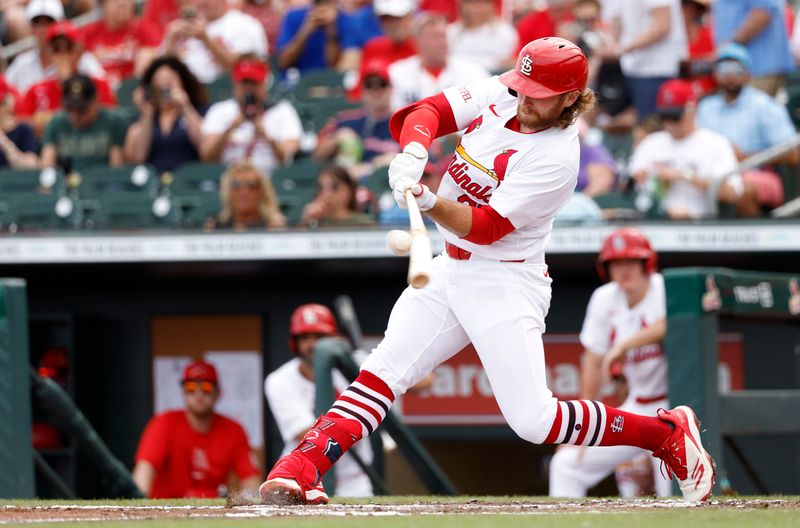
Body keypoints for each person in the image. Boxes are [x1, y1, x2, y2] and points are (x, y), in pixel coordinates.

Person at [257, 37, 715, 506]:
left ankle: (664, 432)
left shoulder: (557, 157)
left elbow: (487, 228)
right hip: (449, 270)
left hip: (505, 279)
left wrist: (431, 201)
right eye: (523, 86)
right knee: (381, 371)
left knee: (534, 421)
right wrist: (415, 152)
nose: (525, 99)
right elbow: (428, 111)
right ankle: (300, 468)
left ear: (571, 98)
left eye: (539, 93)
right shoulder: (507, 91)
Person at [549, 228, 672, 498]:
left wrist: (624, 345)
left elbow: (667, 325)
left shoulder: (663, 287)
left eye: (630, 261)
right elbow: (592, 362)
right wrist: (582, 429)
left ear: (645, 263)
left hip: (674, 411)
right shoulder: (605, 298)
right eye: (616, 263)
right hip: (638, 409)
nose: (623, 269)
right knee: (566, 464)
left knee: (671, 491)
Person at [264, 304, 374, 498]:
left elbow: (424, 382)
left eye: (319, 337)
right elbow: (306, 434)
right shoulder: (280, 380)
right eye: (305, 338)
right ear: (294, 342)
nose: (313, 345)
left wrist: (366, 366)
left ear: (334, 340)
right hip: (303, 476)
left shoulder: (355, 365)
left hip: (354, 479)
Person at [132, 359, 261, 498]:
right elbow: (144, 470)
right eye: (191, 388)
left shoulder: (234, 430)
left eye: (206, 388)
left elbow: (252, 480)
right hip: (167, 511)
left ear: (217, 393)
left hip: (213, 513)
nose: (198, 395)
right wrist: (139, 503)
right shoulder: (164, 422)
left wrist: (239, 502)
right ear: (183, 392)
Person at [696, 43, 797, 213]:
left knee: (744, 187)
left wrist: (744, 157)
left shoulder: (765, 106)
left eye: (736, 68)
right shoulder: (706, 106)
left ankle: (752, 239)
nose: (729, 74)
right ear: (715, 73)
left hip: (756, 172)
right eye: (723, 67)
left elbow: (794, 154)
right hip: (709, 173)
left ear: (748, 74)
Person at [628, 79, 744, 219]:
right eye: (664, 116)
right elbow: (627, 186)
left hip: (700, 223)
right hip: (654, 221)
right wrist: (638, 178)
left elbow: (732, 194)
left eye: (674, 116)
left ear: (692, 111)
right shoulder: (651, 143)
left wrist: (685, 176)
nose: (669, 123)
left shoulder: (716, 143)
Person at [200, 59, 301, 177]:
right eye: (244, 83)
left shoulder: (282, 111)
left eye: (253, 83)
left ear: (264, 85)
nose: (248, 89)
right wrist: (230, 129)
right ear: (235, 85)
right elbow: (207, 156)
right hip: (227, 181)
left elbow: (287, 157)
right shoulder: (220, 110)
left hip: (270, 180)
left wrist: (266, 136)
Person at [17, 21, 116, 138]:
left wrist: (68, 83)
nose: (63, 55)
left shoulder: (98, 85)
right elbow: (21, 125)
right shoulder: (35, 90)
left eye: (68, 48)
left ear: (78, 51)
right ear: (50, 53)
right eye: (57, 49)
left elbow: (110, 122)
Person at [600, 0, 688, 119]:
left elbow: (662, 25)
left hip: (657, 69)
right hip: (630, 68)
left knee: (651, 127)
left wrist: (622, 49)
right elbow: (616, 20)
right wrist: (611, 45)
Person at [314, 60, 399, 180]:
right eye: (370, 85)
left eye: (382, 84)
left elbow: (427, 159)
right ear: (362, 91)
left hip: (389, 188)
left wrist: (377, 165)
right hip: (350, 189)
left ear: (391, 89)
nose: (376, 91)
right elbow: (317, 155)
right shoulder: (345, 121)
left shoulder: (402, 123)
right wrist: (336, 139)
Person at [124, 56, 208, 174]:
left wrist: (186, 107)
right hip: (152, 182)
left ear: (183, 83)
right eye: (158, 80)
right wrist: (147, 113)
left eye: (170, 80)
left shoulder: (199, 111)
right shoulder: (142, 119)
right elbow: (137, 158)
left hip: (188, 179)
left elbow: (206, 148)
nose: (164, 85)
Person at [388, 13, 489, 111]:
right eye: (435, 37)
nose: (442, 43)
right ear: (417, 41)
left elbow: (486, 103)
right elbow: (394, 111)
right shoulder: (398, 72)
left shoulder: (471, 70)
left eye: (444, 36)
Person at [5, 0, 107, 94]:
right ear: (31, 27)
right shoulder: (21, 64)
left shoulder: (82, 60)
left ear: (61, 23)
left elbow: (103, 92)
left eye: (49, 22)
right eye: (37, 22)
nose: (43, 29)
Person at [161, 0, 268, 84]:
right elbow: (157, 73)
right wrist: (171, 42)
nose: (201, 2)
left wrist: (206, 39)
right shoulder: (183, 28)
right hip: (190, 96)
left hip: (227, 98)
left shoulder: (245, 25)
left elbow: (244, 71)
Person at [40, 74, 127, 173]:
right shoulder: (56, 123)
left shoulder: (113, 121)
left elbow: (116, 170)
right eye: (69, 109)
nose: (75, 115)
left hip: (100, 184)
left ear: (96, 101)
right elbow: (47, 169)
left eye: (81, 110)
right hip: (66, 184)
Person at [712, 0, 793, 96]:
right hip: (737, 69)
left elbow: (764, 10)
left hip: (758, 70)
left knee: (751, 109)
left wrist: (729, 49)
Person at [79, 0, 162, 87]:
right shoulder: (88, 34)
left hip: (132, 90)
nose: (122, 3)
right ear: (103, 5)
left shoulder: (146, 30)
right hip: (98, 91)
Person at [348, 0, 417, 99]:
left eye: (397, 18)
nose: (392, 25)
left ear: (410, 16)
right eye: (385, 19)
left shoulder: (423, 48)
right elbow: (358, 93)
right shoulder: (372, 47)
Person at [276, 0, 352, 76]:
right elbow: (283, 62)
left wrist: (331, 28)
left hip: (328, 82)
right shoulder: (293, 17)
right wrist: (306, 30)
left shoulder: (345, 20)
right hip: (297, 81)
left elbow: (333, 66)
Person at [204, 160, 286, 230]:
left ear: (261, 192)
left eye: (251, 185)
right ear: (228, 191)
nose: (244, 192)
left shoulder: (273, 227)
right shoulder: (215, 227)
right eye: (236, 185)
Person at [447, 0, 517, 72]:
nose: (477, 7)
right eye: (471, 3)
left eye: (483, 2)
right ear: (462, 5)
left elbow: (508, 63)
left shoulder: (505, 32)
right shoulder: (450, 32)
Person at [301, 165, 376, 227]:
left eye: (334, 187)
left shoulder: (364, 224)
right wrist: (305, 222)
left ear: (349, 191)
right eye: (321, 187)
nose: (326, 193)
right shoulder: (313, 223)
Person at [0, 76, 38, 170]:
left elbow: (31, 166)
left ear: (8, 102)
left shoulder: (23, 130)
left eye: (0, 104)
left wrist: (4, 142)